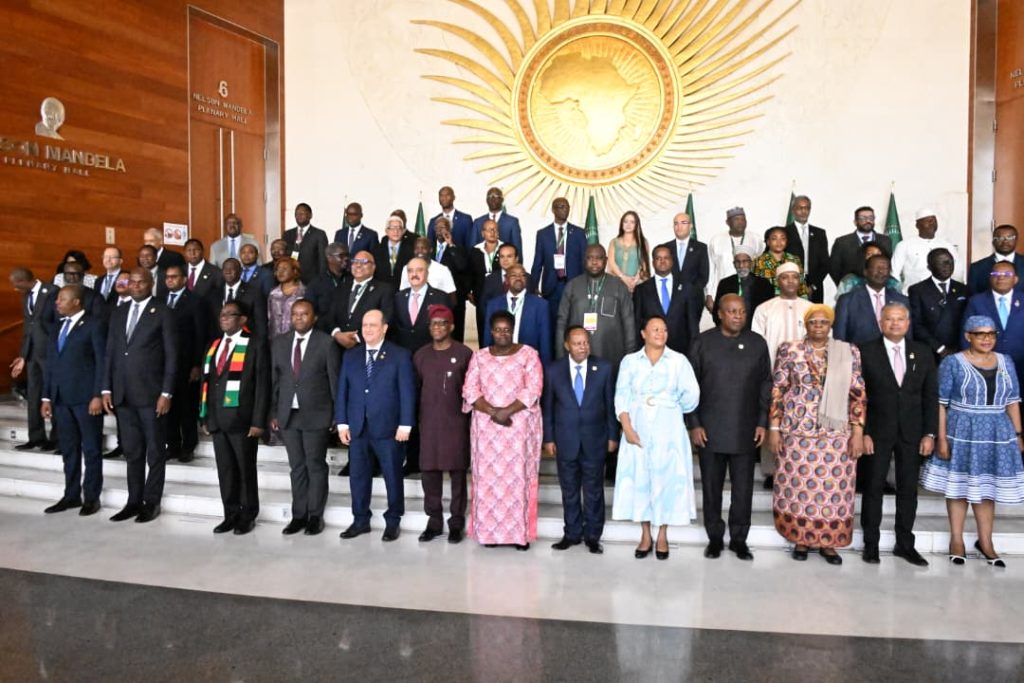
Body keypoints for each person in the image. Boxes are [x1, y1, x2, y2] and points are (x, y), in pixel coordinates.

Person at [766, 304, 866, 564]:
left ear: (830, 325)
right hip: (797, 432)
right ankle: (801, 539)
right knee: (798, 487)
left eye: (823, 322)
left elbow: (857, 393)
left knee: (833, 489)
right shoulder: (790, 350)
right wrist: (774, 429)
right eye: (813, 322)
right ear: (806, 325)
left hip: (836, 435)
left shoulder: (848, 351)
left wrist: (858, 431)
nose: (818, 326)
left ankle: (828, 543)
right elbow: (778, 390)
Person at [921, 315, 1024, 567]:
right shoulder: (953, 362)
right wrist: (941, 438)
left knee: (988, 489)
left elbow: (1012, 400)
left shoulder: (1006, 361)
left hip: (997, 433)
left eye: (991, 334)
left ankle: (986, 542)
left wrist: (1018, 435)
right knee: (958, 488)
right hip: (961, 430)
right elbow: (940, 403)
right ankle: (956, 540)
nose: (986, 339)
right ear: (968, 336)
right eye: (980, 334)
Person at [687, 295, 771, 560]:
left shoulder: (757, 343)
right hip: (709, 430)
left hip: (745, 429)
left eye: (742, 312)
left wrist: (762, 422)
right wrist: (694, 424)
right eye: (732, 311)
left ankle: (738, 539)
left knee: (743, 489)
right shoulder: (702, 342)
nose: (738, 316)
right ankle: (714, 538)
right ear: (720, 314)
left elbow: (765, 384)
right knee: (712, 488)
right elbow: (689, 387)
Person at [613, 315, 700, 560]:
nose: (660, 333)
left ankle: (662, 534)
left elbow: (692, 395)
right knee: (640, 477)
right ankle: (645, 534)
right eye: (655, 329)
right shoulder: (630, 361)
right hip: (637, 425)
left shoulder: (678, 361)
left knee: (667, 479)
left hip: (668, 427)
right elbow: (621, 395)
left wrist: (670, 408)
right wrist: (627, 427)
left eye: (664, 329)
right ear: (643, 333)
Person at [857, 303, 937, 566]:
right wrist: (863, 432)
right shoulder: (865, 351)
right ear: (881, 323)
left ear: (908, 323)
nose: (895, 323)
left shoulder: (922, 352)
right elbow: (858, 396)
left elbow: (930, 396)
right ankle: (871, 544)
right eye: (889, 319)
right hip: (876, 431)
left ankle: (905, 544)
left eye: (900, 319)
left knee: (908, 489)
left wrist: (930, 433)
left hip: (912, 431)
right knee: (873, 487)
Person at [102, 268, 178, 524]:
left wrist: (166, 392)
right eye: (131, 282)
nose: (135, 286)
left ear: (151, 283)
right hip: (123, 394)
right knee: (132, 452)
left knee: (155, 451)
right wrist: (106, 388)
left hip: (152, 394)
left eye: (140, 282)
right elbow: (110, 353)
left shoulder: (163, 311)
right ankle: (133, 501)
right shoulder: (119, 311)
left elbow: (172, 356)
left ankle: (151, 502)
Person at [463, 311, 544, 550]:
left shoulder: (529, 355)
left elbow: (534, 388)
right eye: (498, 330)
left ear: (513, 329)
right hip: (487, 432)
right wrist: (493, 411)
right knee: (489, 483)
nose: (502, 334)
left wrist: (507, 411)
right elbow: (469, 389)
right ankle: (489, 535)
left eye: (506, 329)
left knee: (517, 482)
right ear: (491, 331)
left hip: (519, 430)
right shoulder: (479, 357)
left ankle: (519, 535)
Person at [335, 309, 416, 542]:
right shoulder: (351, 355)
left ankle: (393, 521)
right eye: (365, 325)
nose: (368, 329)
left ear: (384, 328)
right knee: (358, 477)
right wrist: (342, 423)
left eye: (373, 325)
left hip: (389, 428)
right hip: (358, 427)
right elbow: (343, 391)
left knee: (392, 475)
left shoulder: (399, 355)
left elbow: (407, 392)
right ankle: (360, 520)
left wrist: (406, 424)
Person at [543, 326, 618, 554]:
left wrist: (613, 436)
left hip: (595, 439)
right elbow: (548, 407)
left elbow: (610, 405)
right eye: (577, 343)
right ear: (567, 345)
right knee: (569, 490)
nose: (582, 347)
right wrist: (549, 438)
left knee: (594, 490)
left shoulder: (604, 368)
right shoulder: (553, 370)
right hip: (565, 440)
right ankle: (572, 533)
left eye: (585, 342)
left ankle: (593, 536)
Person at [199, 300, 270, 535]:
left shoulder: (255, 344)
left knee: (245, 470)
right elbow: (207, 382)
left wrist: (258, 421)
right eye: (222, 314)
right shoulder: (214, 345)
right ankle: (230, 514)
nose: (224, 318)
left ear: (243, 319)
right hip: (218, 419)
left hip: (243, 420)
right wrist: (205, 416)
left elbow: (262, 385)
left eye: (230, 314)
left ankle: (247, 515)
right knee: (226, 471)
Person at [270, 299, 339, 537]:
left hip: (317, 414)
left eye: (304, 314)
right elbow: (275, 380)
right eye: (295, 314)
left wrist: (336, 415)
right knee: (297, 467)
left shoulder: (326, 343)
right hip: (288, 414)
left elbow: (334, 381)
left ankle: (315, 515)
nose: (299, 318)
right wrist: (273, 412)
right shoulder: (279, 343)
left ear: (314, 317)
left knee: (315, 465)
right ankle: (299, 515)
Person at [40, 285, 107, 515]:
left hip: (86, 398)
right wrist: (46, 397)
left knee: (91, 449)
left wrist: (97, 395)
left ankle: (91, 497)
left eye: (62, 299)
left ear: (76, 302)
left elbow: (102, 361)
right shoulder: (57, 326)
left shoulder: (94, 324)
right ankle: (71, 495)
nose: (57, 303)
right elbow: (51, 364)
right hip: (60, 398)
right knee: (69, 449)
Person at [412, 305, 473, 543]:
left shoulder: (465, 354)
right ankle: (434, 521)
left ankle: (456, 523)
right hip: (429, 424)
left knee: (458, 473)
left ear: (452, 326)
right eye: (433, 323)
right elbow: (416, 390)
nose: (437, 327)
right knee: (429, 473)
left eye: (442, 323)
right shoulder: (420, 355)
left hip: (457, 424)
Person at [555, 244, 637, 370]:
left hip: (612, 355)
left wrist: (630, 357)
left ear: (606, 261)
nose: (594, 262)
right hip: (577, 358)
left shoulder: (619, 286)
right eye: (590, 258)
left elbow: (629, 323)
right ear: (584, 260)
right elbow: (561, 323)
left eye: (599, 258)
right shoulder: (572, 286)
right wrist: (561, 356)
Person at [162, 264, 208, 463]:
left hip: (187, 363)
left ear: (184, 279)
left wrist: (197, 364)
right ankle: (172, 445)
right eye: (167, 277)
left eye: (174, 277)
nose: (170, 280)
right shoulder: (161, 300)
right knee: (168, 407)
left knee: (187, 408)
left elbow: (200, 334)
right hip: (164, 364)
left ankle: (188, 446)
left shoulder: (196, 301)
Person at [9, 268, 57, 451]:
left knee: (53, 394)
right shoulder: (26, 297)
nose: (15, 289)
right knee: (34, 395)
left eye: (16, 285)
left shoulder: (52, 291)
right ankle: (36, 437)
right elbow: (28, 329)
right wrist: (23, 355)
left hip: (51, 352)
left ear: (23, 281)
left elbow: (58, 323)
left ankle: (57, 438)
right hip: (32, 355)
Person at [962, 261, 1024, 391]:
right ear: (990, 278)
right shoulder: (976, 301)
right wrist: (972, 364)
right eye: (996, 274)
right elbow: (966, 336)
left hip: (1021, 364)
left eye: (1007, 274)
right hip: (986, 365)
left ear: (1015, 279)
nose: (1001, 277)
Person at [530, 197, 587, 330]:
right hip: (551, 287)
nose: (564, 210)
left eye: (566, 207)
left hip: (573, 285)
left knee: (572, 323)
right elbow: (538, 262)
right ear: (553, 210)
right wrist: (533, 286)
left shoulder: (579, 233)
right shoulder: (543, 234)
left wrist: (585, 286)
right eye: (561, 207)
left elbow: (584, 261)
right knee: (551, 325)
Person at [633, 245, 701, 356]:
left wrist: (693, 353)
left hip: (681, 351)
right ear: (653, 262)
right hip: (651, 352)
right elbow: (637, 324)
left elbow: (693, 324)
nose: (662, 261)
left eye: (666, 258)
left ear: (672, 261)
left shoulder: (687, 288)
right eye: (658, 258)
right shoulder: (641, 290)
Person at [325, 250, 395, 351]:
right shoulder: (342, 287)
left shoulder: (384, 289)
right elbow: (329, 316)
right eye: (355, 261)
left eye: (364, 262)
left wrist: (356, 338)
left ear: (373, 267)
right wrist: (337, 334)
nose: (358, 265)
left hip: (366, 347)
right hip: (337, 346)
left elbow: (387, 320)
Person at [834, 253, 910, 345]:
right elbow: (839, 338)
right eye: (876, 268)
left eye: (885, 268)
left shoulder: (902, 300)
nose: (881, 271)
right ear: (865, 272)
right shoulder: (847, 300)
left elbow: (908, 337)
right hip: (859, 352)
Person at [483, 264, 551, 364]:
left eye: (522, 275)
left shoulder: (541, 305)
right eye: (514, 275)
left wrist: (545, 367)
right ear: (506, 280)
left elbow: (545, 341)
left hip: (528, 362)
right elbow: (488, 338)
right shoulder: (493, 305)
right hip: (500, 361)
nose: (518, 278)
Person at [909, 248, 968, 361]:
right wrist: (939, 348)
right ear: (929, 267)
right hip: (929, 351)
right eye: (941, 263)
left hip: (958, 351)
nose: (947, 266)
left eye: (950, 262)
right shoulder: (917, 290)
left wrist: (959, 347)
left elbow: (967, 321)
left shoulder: (963, 289)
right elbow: (916, 324)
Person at [705, 207, 764, 310]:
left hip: (750, 291)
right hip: (723, 290)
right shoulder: (716, 240)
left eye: (743, 219)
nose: (740, 222)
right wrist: (709, 294)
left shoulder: (756, 239)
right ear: (727, 222)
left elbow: (760, 264)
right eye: (736, 219)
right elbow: (710, 269)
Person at [891, 208, 961, 293]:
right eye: (928, 221)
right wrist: (901, 294)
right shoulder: (904, 245)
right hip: (912, 295)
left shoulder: (947, 245)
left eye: (934, 220)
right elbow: (894, 273)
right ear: (917, 225)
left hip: (942, 294)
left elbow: (958, 272)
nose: (932, 223)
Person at [711, 244, 774, 329]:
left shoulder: (763, 284)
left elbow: (769, 310)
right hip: (731, 329)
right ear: (734, 264)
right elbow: (717, 310)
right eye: (738, 262)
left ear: (751, 263)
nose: (741, 266)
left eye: (745, 261)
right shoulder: (725, 283)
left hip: (757, 328)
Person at [429, 217, 471, 341]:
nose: (439, 230)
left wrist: (451, 245)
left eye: (443, 227)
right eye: (437, 228)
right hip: (433, 297)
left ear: (449, 230)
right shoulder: (429, 248)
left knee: (455, 334)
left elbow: (461, 266)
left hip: (453, 298)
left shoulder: (458, 248)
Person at [829, 206, 892, 284]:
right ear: (855, 222)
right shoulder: (842, 242)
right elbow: (834, 268)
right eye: (863, 218)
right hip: (851, 286)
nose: (868, 221)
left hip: (880, 286)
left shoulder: (885, 240)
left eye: (871, 218)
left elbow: (889, 263)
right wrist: (845, 285)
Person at [783, 195, 829, 303]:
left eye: (807, 208)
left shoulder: (820, 233)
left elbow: (825, 264)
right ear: (793, 210)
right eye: (800, 208)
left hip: (814, 286)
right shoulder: (784, 233)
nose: (804, 211)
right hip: (791, 283)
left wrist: (813, 286)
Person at [656, 212, 709, 297]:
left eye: (683, 223)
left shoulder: (701, 248)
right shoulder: (665, 248)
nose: (679, 226)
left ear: (691, 226)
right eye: (676, 223)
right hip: (670, 297)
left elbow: (703, 276)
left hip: (693, 297)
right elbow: (660, 273)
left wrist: (689, 291)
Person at [469, 218, 503, 340]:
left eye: (494, 230)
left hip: (500, 295)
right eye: (489, 230)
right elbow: (470, 274)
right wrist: (470, 292)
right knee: (483, 329)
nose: (492, 232)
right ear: (483, 233)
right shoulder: (475, 250)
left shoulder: (505, 249)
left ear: (498, 232)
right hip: (481, 296)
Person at [218, 258, 267, 340]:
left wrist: (258, 345)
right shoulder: (214, 293)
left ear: (240, 271)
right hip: (220, 343)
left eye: (232, 268)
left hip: (246, 342)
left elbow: (261, 326)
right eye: (225, 269)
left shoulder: (254, 293)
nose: (228, 271)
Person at [967, 224, 1024, 295]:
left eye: (1010, 238)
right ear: (993, 242)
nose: (1005, 242)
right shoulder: (977, 268)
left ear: (1016, 240)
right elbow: (972, 297)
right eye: (1000, 238)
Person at [753, 227, 809, 297]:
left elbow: (802, 285)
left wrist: (803, 301)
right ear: (768, 242)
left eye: (782, 238)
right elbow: (754, 289)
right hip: (769, 301)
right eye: (774, 238)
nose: (779, 242)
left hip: (792, 301)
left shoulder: (794, 259)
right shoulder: (758, 262)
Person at [833, 241, 900, 300]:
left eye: (878, 254)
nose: (875, 257)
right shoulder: (850, 280)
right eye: (870, 254)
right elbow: (841, 303)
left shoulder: (893, 282)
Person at [283, 202, 328, 284]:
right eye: (296, 214)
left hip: (311, 280)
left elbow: (323, 260)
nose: (299, 216)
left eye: (302, 213)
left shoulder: (319, 234)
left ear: (310, 215)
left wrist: (321, 280)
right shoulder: (288, 234)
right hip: (291, 279)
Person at [606, 210, 651, 293]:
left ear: (636, 224)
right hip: (616, 283)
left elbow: (644, 265)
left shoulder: (643, 242)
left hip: (636, 283)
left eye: (632, 222)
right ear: (621, 224)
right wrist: (623, 277)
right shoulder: (614, 242)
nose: (628, 225)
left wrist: (635, 280)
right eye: (625, 221)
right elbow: (611, 263)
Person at [472, 187, 522, 256]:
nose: (493, 199)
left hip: (505, 262)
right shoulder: (478, 222)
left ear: (502, 200)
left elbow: (517, 251)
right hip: (481, 262)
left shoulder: (512, 222)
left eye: (496, 196)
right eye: (490, 196)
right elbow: (472, 248)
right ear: (486, 200)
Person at [305, 243, 350, 320]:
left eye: (347, 255)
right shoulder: (316, 284)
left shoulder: (352, 279)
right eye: (341, 256)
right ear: (329, 258)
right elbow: (309, 310)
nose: (346, 258)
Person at [374, 213, 416, 288]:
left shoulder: (410, 250)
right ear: (386, 231)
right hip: (381, 289)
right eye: (392, 228)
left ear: (403, 231)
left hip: (403, 289)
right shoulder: (377, 250)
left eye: (399, 228)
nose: (396, 231)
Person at [267, 258, 305, 339]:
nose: (280, 272)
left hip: (297, 338)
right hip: (275, 339)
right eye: (278, 269)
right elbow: (269, 317)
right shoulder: (273, 293)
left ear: (294, 271)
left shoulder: (304, 292)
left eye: (284, 269)